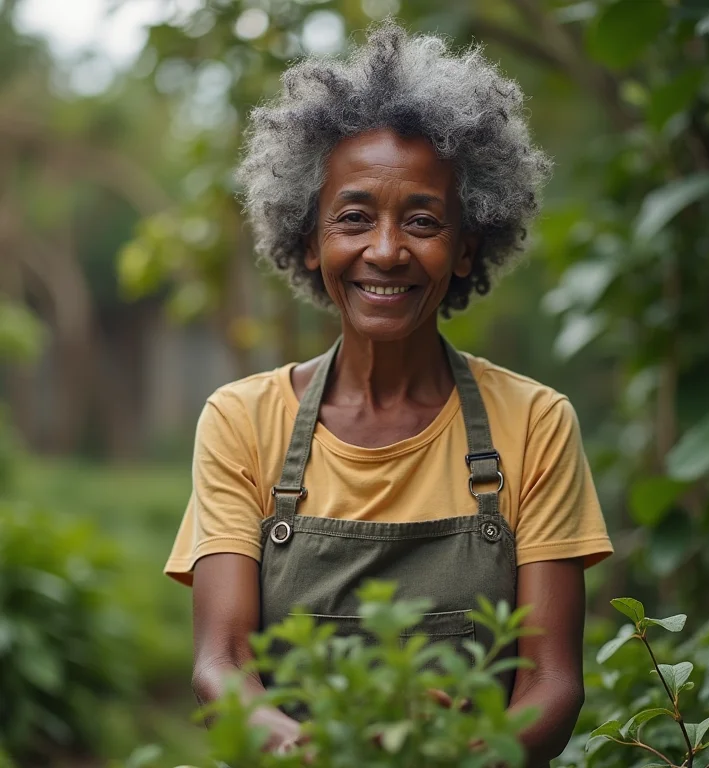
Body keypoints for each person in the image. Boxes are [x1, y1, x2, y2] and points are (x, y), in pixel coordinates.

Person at [164, 20, 612, 766]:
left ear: (469, 244)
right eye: (354, 217)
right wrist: (316, 748)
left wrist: (449, 753)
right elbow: (223, 663)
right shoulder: (243, 421)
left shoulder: (533, 423)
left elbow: (551, 682)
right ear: (310, 240)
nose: (385, 250)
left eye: (424, 221)